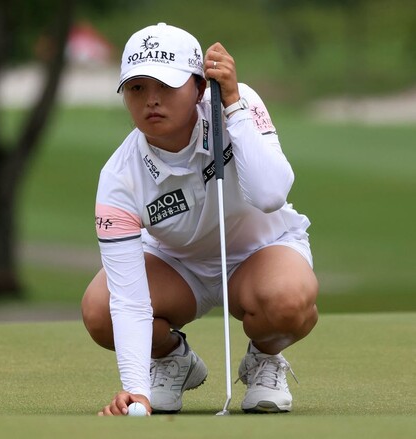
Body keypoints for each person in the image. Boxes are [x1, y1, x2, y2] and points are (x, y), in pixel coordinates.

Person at [81, 23, 319, 416]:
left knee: (288, 301)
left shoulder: (237, 104)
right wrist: (135, 388)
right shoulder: (118, 178)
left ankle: (263, 358)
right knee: (99, 309)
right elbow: (128, 298)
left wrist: (234, 108)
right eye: (137, 88)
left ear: (198, 87)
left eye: (167, 86)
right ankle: (173, 361)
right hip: (177, 266)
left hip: (260, 251)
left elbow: (271, 194)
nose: (151, 101)